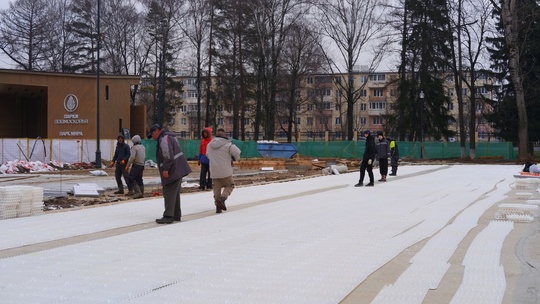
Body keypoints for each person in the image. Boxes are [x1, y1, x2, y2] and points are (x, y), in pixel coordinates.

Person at [147, 124, 192, 224]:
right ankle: (176, 214)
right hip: (178, 168)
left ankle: (168, 216)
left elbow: (168, 155)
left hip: (172, 170)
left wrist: (166, 169)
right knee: (174, 193)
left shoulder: (164, 139)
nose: (153, 138)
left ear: (157, 131)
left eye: (152, 135)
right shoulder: (171, 137)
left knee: (168, 192)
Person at [206, 128, 241, 213]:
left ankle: (218, 207)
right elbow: (237, 153)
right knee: (230, 185)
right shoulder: (229, 145)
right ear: (225, 136)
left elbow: (207, 155)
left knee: (216, 189)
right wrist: (234, 159)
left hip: (214, 171)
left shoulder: (209, 145)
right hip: (225, 171)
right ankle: (222, 199)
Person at [124, 135, 146, 199]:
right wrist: (143, 165)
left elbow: (132, 157)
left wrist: (127, 165)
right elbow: (144, 157)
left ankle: (138, 192)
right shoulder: (143, 147)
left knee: (131, 178)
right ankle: (141, 193)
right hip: (141, 165)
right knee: (139, 179)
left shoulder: (134, 148)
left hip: (136, 165)